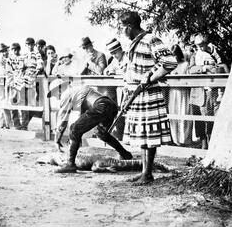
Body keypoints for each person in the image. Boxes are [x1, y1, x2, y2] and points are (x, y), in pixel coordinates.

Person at [118, 11, 177, 185]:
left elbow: (170, 62)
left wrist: (150, 78)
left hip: (148, 92)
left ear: (129, 26)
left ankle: (148, 173)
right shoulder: (133, 44)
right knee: (143, 134)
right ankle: (145, 171)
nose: (121, 31)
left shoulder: (151, 39)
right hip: (135, 93)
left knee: (149, 133)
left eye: (122, 27)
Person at [54, 84, 133, 173]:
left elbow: (63, 119)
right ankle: (125, 154)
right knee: (101, 133)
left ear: (59, 90)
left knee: (74, 129)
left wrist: (57, 139)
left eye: (54, 93)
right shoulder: (79, 89)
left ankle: (70, 164)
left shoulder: (66, 94)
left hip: (101, 106)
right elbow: (82, 118)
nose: (55, 96)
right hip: (111, 105)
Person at [168, 44, 192, 146]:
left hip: (182, 92)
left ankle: (184, 139)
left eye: (175, 55)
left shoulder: (185, 64)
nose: (174, 58)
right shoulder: (169, 65)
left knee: (183, 114)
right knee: (173, 115)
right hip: (173, 92)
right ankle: (175, 139)